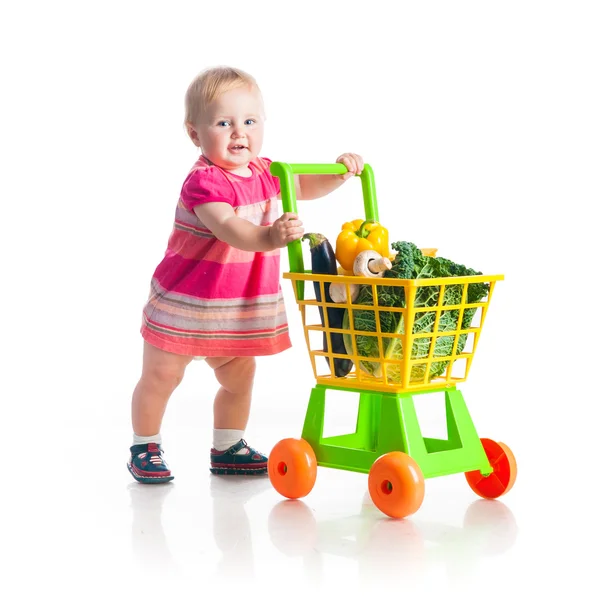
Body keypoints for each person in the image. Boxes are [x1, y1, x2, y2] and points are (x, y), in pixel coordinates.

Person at [127, 66, 364, 483]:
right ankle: (144, 444)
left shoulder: (265, 172)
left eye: (250, 121)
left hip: (236, 307)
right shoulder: (204, 182)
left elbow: (305, 185)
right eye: (224, 123)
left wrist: (339, 174)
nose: (240, 133)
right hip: (187, 301)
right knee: (161, 377)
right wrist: (270, 235)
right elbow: (230, 229)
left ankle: (228, 446)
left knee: (239, 380)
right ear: (195, 134)